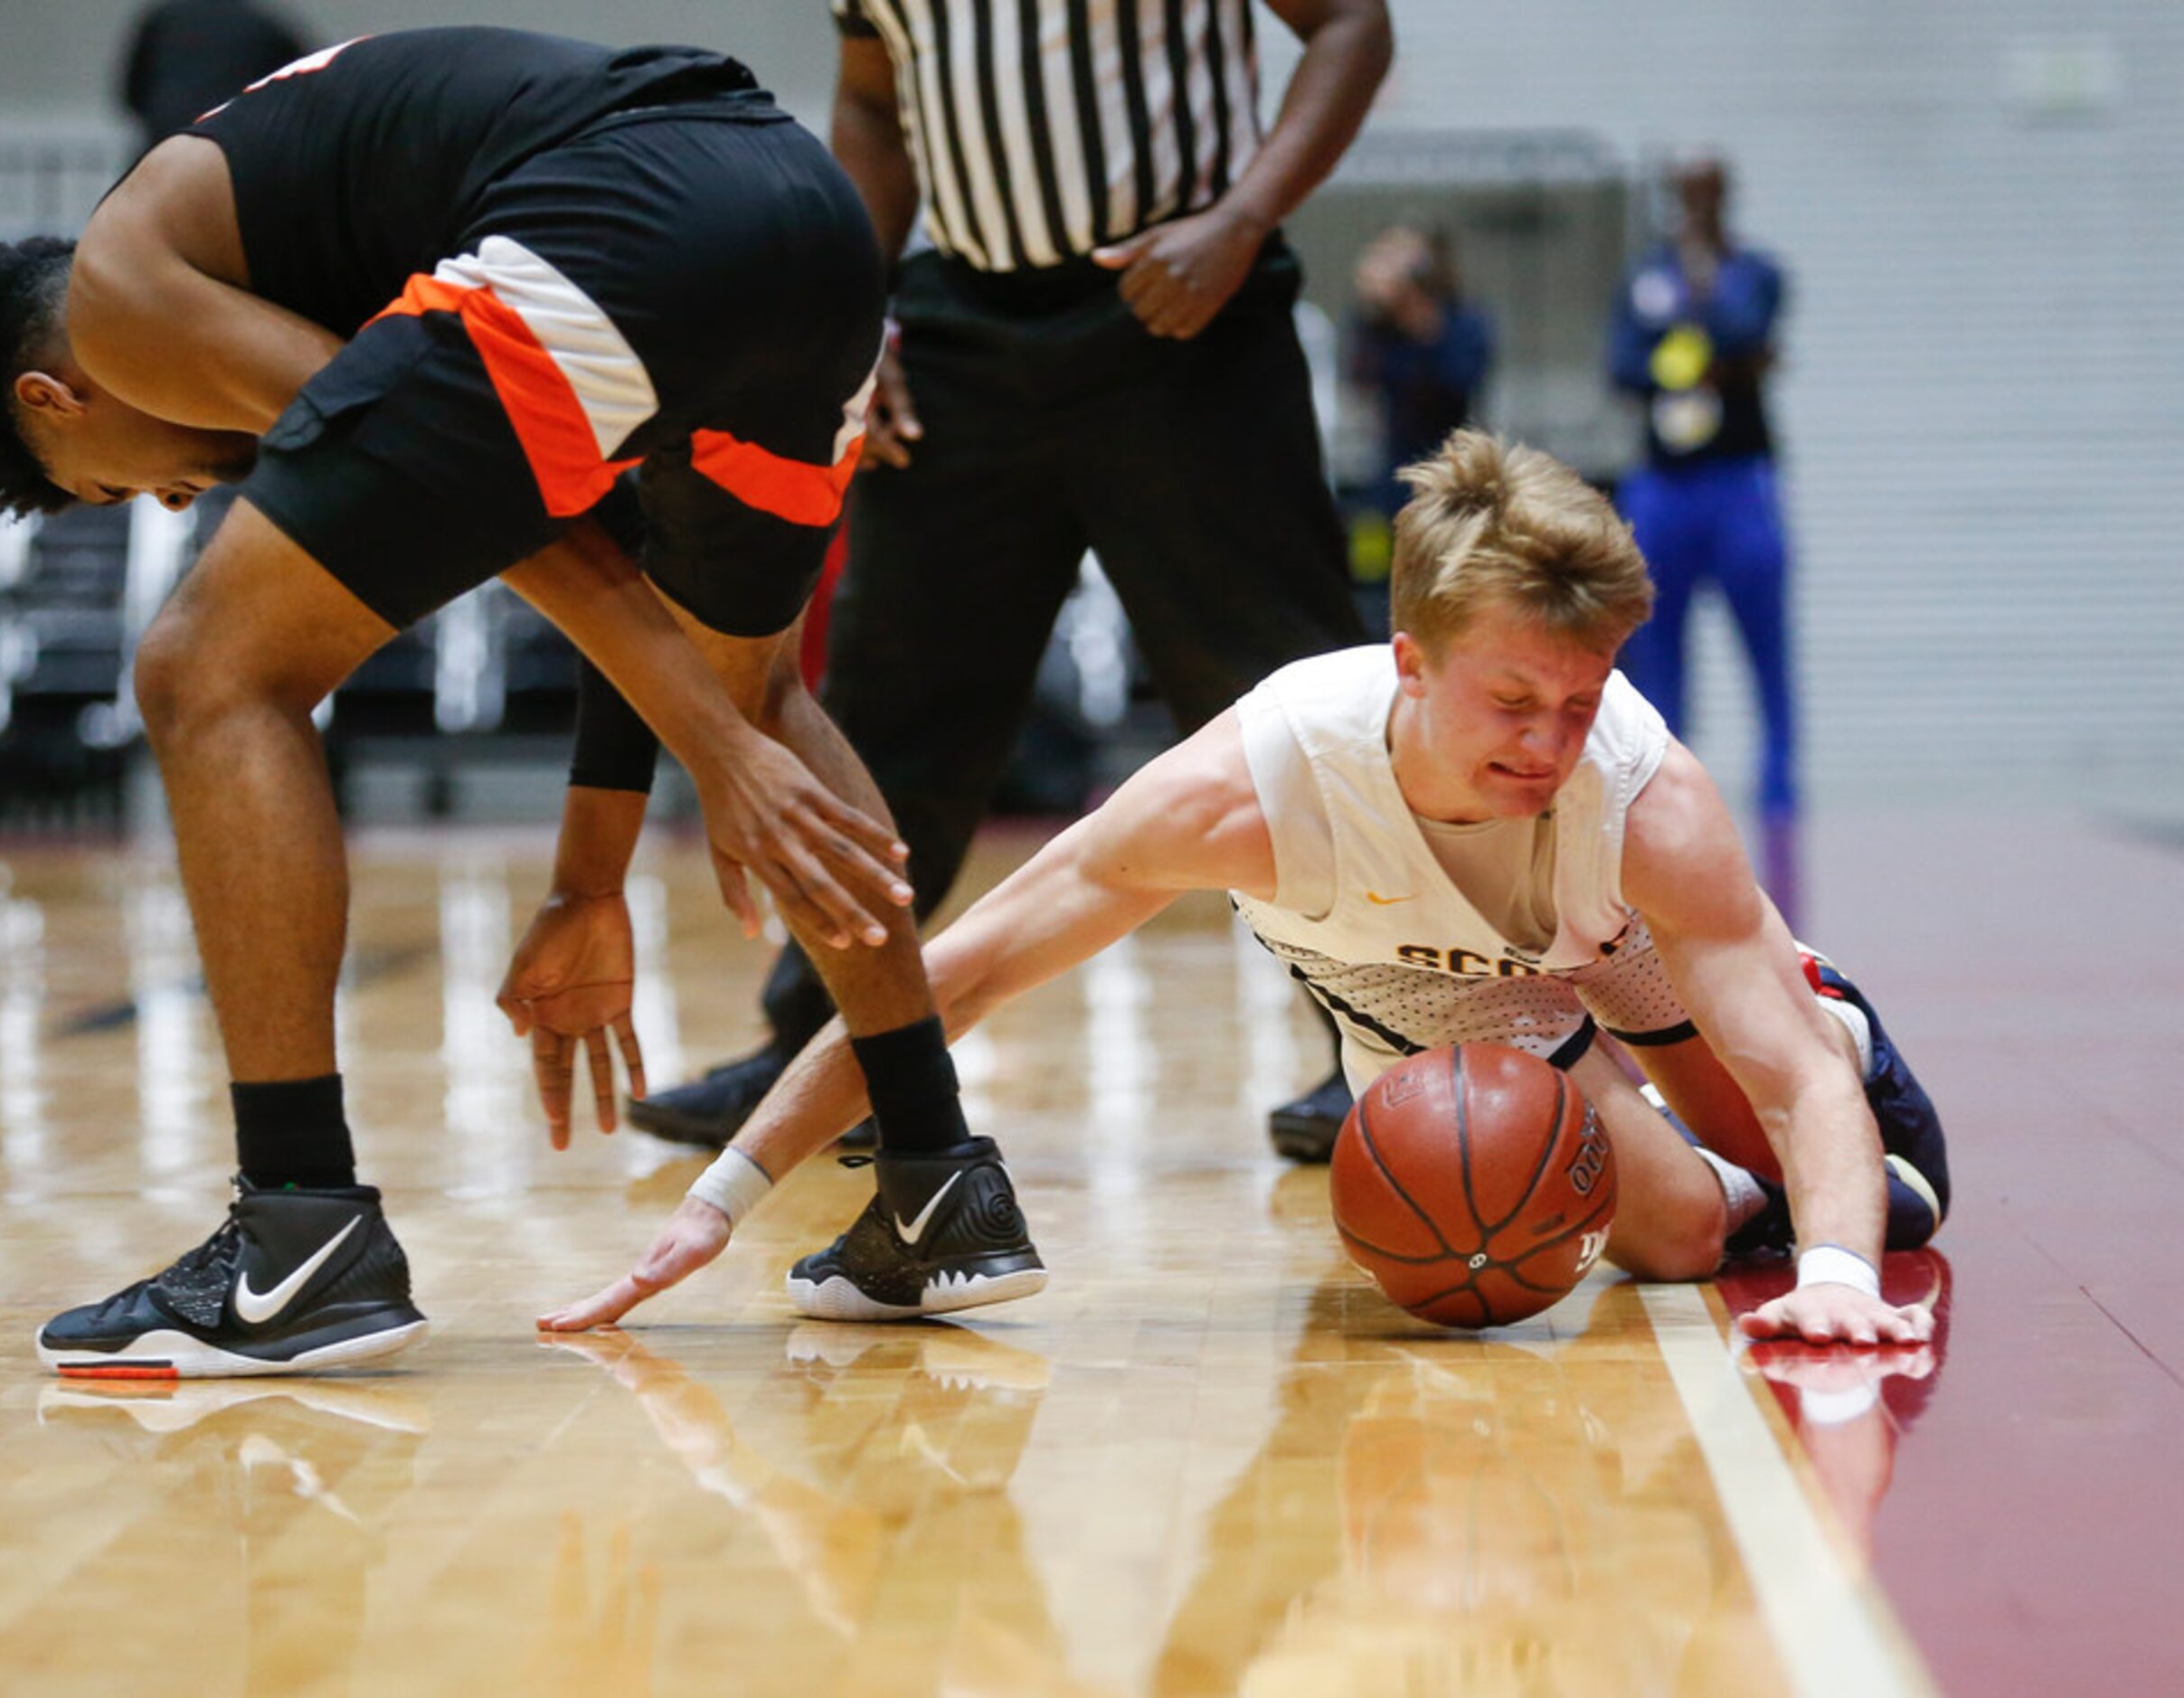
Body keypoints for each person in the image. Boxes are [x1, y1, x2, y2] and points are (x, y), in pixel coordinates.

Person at [0, 27, 1044, 1376]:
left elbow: (523, 526)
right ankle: (934, 1178)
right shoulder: (291, 220)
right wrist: (592, 870)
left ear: (59, 393)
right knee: (761, 686)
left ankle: (297, 1229)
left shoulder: (119, 293)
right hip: (804, 223)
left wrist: (712, 747)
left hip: (624, 219)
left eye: (113, 480)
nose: (171, 496)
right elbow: (613, 563)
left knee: (207, 667)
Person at [543, 431, 1949, 1345]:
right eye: (1514, 698)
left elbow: (1785, 1079)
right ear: (1409, 662)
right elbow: (949, 976)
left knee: (1826, 1145)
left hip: (1619, 932)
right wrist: (723, 1196)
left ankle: (1841, 1034)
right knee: (1681, 1235)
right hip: (1433, 994)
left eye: (1581, 700)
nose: (1549, 740)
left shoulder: (1640, 791)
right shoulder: (1249, 790)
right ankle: (1717, 1184)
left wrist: (1837, 1276)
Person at [617, 0, 1391, 1166]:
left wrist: (1242, 220)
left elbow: (1352, 25)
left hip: (1186, 308)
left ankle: (1383, 1050)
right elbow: (873, 107)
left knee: (1280, 705)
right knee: (890, 714)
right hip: (956, 336)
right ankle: (822, 1049)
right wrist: (853, 310)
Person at [1606, 156, 1797, 832]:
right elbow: (1625, 367)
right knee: (1658, 652)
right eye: (1682, 192)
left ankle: (1780, 801)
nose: (1693, 204)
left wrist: (1700, 304)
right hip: (1664, 485)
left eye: (1705, 192)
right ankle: (1664, 801)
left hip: (1739, 480)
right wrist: (1692, 356)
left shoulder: (1756, 273)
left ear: (1724, 196)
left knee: (1767, 651)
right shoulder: (1645, 278)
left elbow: (1751, 333)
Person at [1348, 225, 1492, 513]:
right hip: (1395, 463)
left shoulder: (1465, 321)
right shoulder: (1377, 328)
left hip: (1453, 460)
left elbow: (1459, 382)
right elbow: (1361, 382)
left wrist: (1414, 314)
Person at [118, 0, 308, 152]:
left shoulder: (162, 19)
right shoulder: (264, 27)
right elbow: (309, 86)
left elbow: (131, 93)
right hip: (233, 150)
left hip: (164, 146)